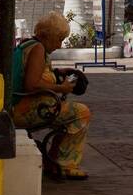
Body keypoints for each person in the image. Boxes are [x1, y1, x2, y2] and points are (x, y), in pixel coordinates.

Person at [11, 12, 91, 181]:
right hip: (23, 110)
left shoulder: (29, 44)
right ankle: (65, 164)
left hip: (17, 105)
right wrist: (62, 88)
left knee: (71, 112)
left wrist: (58, 73)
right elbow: (32, 84)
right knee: (80, 113)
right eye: (58, 39)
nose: (59, 45)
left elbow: (37, 74)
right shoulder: (38, 49)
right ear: (47, 36)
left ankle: (56, 159)